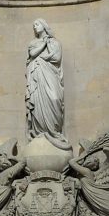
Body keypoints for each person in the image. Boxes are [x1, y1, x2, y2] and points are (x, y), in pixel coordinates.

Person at [25, 19, 70, 150]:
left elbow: (56, 58)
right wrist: (43, 45)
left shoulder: (55, 42)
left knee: (54, 98)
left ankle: (55, 133)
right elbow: (33, 54)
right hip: (37, 77)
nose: (35, 27)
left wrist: (45, 55)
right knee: (37, 104)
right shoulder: (33, 43)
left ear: (44, 26)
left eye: (37, 24)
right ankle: (39, 133)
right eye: (33, 25)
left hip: (51, 76)